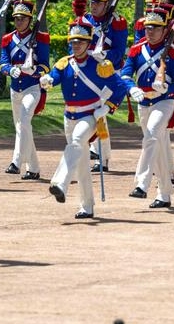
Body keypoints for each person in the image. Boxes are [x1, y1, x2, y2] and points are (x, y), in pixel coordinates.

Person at [42, 17, 129, 219]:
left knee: (76, 142)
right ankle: (87, 206)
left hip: (90, 115)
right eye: (73, 42)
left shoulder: (100, 65)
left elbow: (120, 88)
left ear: (88, 43)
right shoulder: (65, 63)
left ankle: (60, 183)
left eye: (80, 42)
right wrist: (46, 80)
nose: (75, 45)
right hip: (69, 115)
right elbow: (54, 77)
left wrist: (106, 108)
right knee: (80, 163)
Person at [122, 5, 174, 208]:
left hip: (164, 102)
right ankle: (165, 194)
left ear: (165, 29)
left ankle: (141, 184)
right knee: (155, 145)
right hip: (143, 101)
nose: (150, 31)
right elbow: (125, 74)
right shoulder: (136, 50)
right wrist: (132, 89)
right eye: (148, 27)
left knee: (151, 136)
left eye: (156, 28)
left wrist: (165, 88)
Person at [76, 0, 129, 173]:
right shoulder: (85, 20)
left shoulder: (117, 22)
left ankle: (101, 156)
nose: (94, 5)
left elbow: (119, 51)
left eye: (98, 2)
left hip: (107, 74)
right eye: (92, 1)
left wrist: (104, 56)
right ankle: (98, 153)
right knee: (91, 113)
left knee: (100, 114)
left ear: (106, 4)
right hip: (87, 74)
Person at [0, 0, 50, 181]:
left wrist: (33, 70)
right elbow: (2, 63)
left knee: (24, 121)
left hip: (32, 88)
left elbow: (46, 66)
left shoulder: (41, 38)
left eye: (22, 19)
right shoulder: (7, 39)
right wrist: (10, 70)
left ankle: (16, 162)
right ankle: (34, 168)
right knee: (22, 127)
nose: (18, 22)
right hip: (15, 90)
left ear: (29, 19)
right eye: (16, 19)